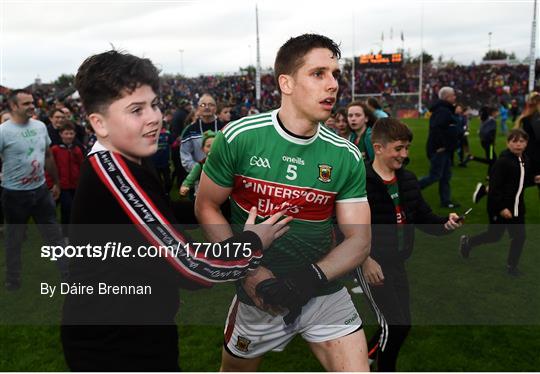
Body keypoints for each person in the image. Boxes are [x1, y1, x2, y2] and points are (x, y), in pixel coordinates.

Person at [61, 50, 292, 371]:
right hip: (115, 346)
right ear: (99, 123)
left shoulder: (124, 158)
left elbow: (157, 214)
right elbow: (191, 267)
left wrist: (215, 204)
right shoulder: (114, 174)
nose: (154, 117)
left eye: (154, 104)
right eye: (136, 109)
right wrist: (253, 242)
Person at [196, 33, 375, 372]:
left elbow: (359, 238)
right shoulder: (239, 137)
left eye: (335, 74)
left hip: (323, 290)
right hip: (259, 296)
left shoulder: (346, 155)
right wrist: (251, 274)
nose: (333, 84)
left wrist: (309, 279)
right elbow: (206, 206)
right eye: (319, 73)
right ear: (286, 83)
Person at [363, 118, 462, 371]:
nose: (404, 155)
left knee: (401, 324)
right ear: (379, 147)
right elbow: (344, 228)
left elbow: (423, 216)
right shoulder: (361, 180)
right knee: (394, 324)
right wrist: (366, 260)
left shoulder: (406, 179)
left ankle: (361, 359)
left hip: (396, 262)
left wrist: (445, 224)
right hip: (372, 264)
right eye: (398, 149)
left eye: (406, 148)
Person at [0, 89, 68, 290]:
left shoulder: (40, 127)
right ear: (13, 106)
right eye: (26, 104)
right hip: (14, 195)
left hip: (40, 191)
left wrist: (55, 182)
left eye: (32, 102)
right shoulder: (3, 131)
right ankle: (13, 279)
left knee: (53, 235)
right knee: (15, 240)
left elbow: (47, 156)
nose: (33, 106)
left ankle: (66, 275)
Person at [460, 129, 540, 276]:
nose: (518, 145)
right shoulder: (502, 162)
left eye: (522, 141)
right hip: (499, 207)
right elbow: (494, 189)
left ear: (527, 143)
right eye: (514, 141)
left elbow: (521, 181)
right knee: (494, 236)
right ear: (508, 143)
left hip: (517, 208)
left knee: (520, 236)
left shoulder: (525, 160)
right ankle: (468, 242)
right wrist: (502, 208)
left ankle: (512, 266)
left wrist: (533, 180)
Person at [418, 86, 460, 208]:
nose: (455, 97)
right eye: (453, 95)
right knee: (435, 176)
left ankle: (446, 201)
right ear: (447, 97)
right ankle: (408, 190)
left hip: (445, 150)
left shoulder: (444, 109)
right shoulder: (443, 111)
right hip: (440, 150)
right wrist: (442, 145)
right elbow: (437, 129)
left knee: (445, 176)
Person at [50, 120, 84, 238]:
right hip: (62, 185)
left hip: (75, 184)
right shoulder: (55, 149)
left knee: (75, 208)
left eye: (71, 133)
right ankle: (65, 235)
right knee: (66, 208)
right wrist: (53, 183)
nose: (69, 136)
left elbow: (81, 166)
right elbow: (50, 167)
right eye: (66, 133)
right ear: (61, 134)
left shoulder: (77, 150)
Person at [180, 93, 224, 172]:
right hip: (199, 178)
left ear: (216, 108)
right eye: (203, 105)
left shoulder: (225, 128)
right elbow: (185, 155)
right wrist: (199, 170)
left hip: (222, 175)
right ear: (198, 108)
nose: (207, 107)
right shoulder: (190, 130)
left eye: (211, 105)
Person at [471, 106, 499, 203]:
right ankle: (473, 158)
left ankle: (488, 175)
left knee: (493, 160)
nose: (498, 114)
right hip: (489, 144)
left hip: (485, 142)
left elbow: (482, 132)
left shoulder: (486, 120)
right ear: (493, 112)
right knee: (492, 160)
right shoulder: (492, 121)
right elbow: (490, 133)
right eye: (497, 112)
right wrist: (492, 141)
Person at [516, 93, 540, 198]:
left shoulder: (525, 118)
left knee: (520, 182)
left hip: (527, 155)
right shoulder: (535, 118)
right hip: (535, 157)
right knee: (519, 182)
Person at [179, 130, 214, 198]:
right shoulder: (200, 165)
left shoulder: (224, 163)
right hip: (203, 196)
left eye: (215, 145)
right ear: (202, 149)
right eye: (208, 146)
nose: (211, 149)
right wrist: (185, 186)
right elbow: (191, 177)